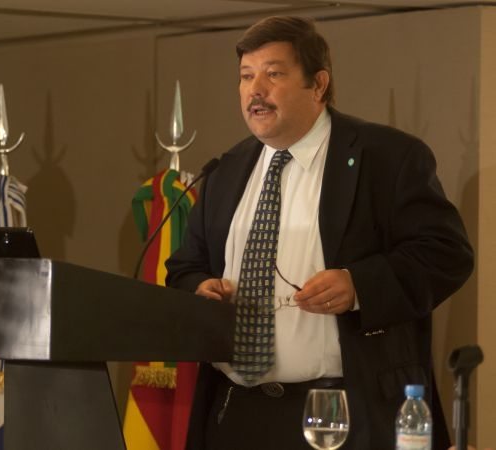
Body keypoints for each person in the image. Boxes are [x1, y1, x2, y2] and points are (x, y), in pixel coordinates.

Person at [165, 15, 473, 450]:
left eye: (273, 74)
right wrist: (201, 287)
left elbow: (446, 254)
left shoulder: (386, 157)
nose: (255, 90)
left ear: (319, 84)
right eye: (246, 76)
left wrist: (358, 285)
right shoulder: (225, 169)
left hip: (342, 411)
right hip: (234, 410)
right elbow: (184, 267)